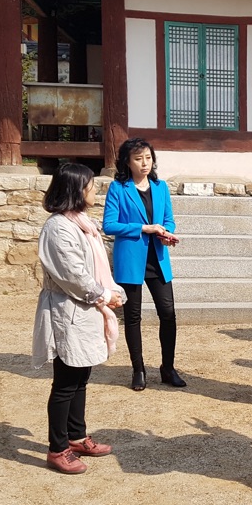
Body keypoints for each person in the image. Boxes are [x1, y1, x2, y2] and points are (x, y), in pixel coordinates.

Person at [32, 163, 125, 474]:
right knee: (66, 381)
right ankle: (57, 448)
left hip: (86, 308)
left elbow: (93, 268)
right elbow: (73, 275)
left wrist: (109, 292)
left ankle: (76, 435)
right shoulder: (58, 228)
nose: (95, 190)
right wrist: (105, 295)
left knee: (81, 375)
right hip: (68, 310)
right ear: (75, 190)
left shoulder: (82, 223)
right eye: (90, 186)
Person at [103, 138, 183, 392]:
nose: (144, 163)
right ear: (127, 162)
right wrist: (143, 228)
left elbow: (168, 219)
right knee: (133, 316)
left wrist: (166, 233)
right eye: (138, 159)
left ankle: (168, 368)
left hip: (158, 259)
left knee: (168, 313)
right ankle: (138, 370)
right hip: (130, 260)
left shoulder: (161, 187)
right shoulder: (118, 188)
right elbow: (109, 225)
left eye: (148, 157)